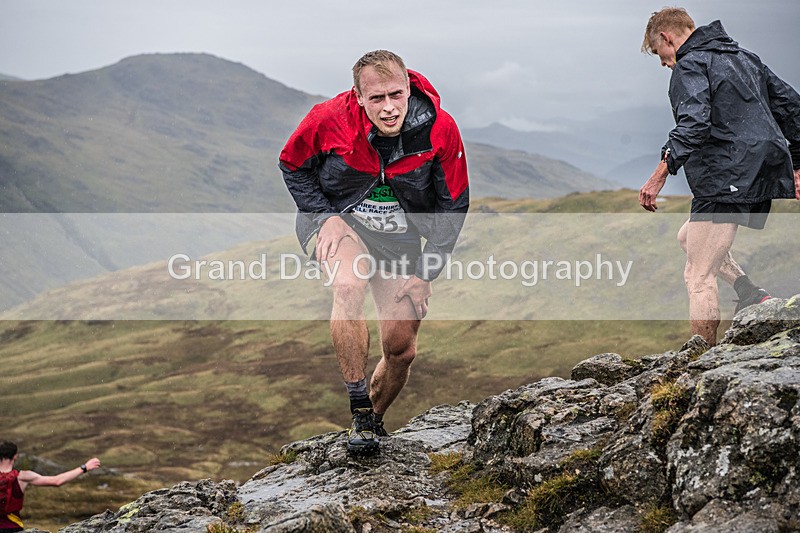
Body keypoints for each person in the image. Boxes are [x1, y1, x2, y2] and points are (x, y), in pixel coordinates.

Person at [279, 50, 469, 455]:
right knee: (348, 284)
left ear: (408, 88)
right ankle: (359, 408)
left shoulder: (439, 129)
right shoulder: (328, 119)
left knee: (401, 349)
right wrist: (323, 215)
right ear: (358, 96)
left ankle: (371, 421)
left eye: (396, 95)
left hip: (399, 239)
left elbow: (453, 205)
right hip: (341, 224)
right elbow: (291, 164)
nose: (388, 107)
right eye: (377, 98)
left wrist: (425, 273)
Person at [638, 8, 800, 345]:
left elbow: (694, 123)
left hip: (726, 174)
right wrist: (796, 165)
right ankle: (750, 293)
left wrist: (659, 174)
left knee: (698, 275)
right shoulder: (745, 58)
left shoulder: (690, 65)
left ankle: (700, 360)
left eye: (659, 53)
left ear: (668, 38)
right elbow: (793, 109)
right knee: (689, 239)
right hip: (757, 169)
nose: (664, 62)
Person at [0, 441, 101, 531]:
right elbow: (57, 481)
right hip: (12, 527)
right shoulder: (22, 476)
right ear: (15, 456)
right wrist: (84, 468)